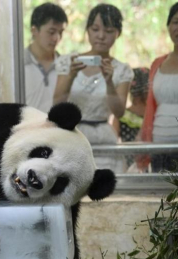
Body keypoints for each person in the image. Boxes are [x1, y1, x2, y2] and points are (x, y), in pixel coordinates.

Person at [54, 4, 134, 173]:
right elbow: (57, 104)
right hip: (72, 135)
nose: (101, 36)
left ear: (118, 33)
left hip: (104, 138)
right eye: (95, 29)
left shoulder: (121, 69)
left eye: (109, 31)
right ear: (88, 31)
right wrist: (70, 76)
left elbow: (119, 112)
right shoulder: (69, 62)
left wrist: (109, 82)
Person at [140, 2, 178, 172]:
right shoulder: (157, 64)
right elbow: (150, 108)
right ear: (169, 26)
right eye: (176, 22)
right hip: (159, 144)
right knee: (162, 196)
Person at [24, 2, 67, 113]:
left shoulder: (65, 65)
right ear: (34, 31)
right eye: (51, 32)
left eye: (60, 32)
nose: (56, 38)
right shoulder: (19, 63)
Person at [113, 67, 149, 169]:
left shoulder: (121, 115)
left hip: (128, 167)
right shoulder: (156, 115)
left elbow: (113, 140)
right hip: (154, 166)